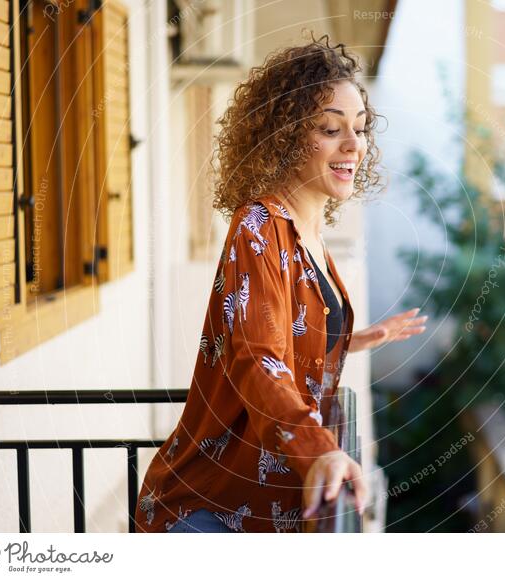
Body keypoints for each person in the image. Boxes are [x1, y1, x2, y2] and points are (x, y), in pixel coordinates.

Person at [134, 35, 428, 533]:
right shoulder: (259, 226)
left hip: (266, 509)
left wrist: (350, 339)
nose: (353, 145)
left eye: (359, 129)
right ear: (286, 136)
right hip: (210, 512)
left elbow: (283, 333)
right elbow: (256, 355)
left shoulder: (309, 232)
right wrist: (319, 451)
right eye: (331, 128)